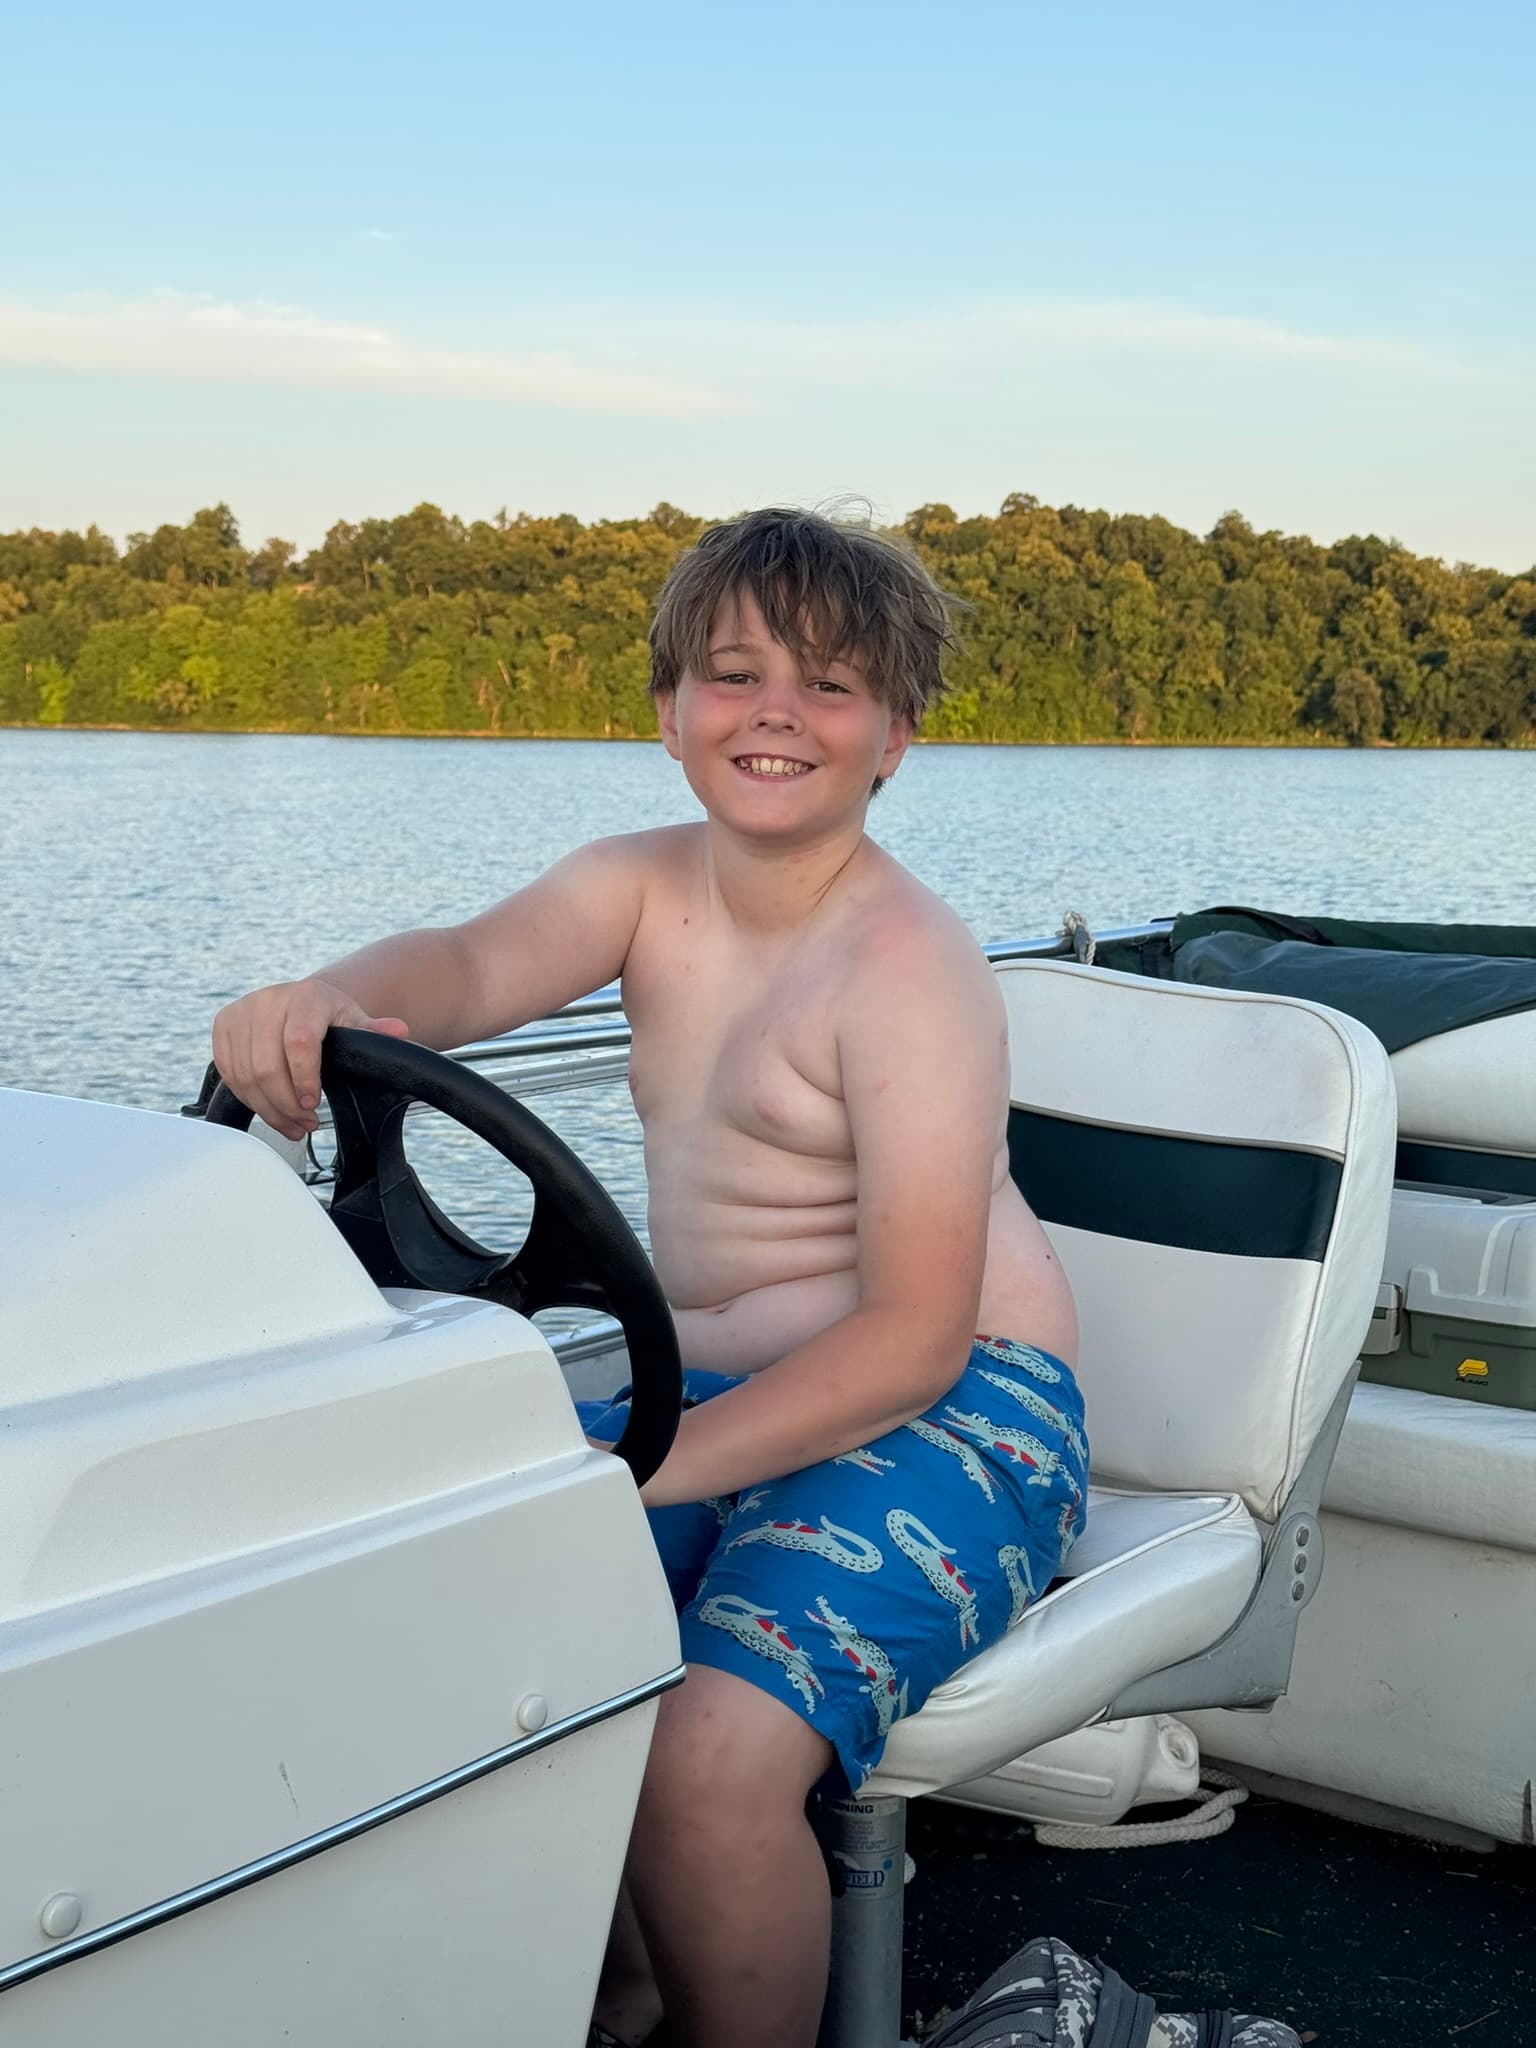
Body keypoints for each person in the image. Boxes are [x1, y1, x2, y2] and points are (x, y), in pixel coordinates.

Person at [211, 507, 1088, 2048]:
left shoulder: (909, 970)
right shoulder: (635, 887)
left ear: (896, 735)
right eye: (735, 675)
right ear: (670, 710)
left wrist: (639, 1475)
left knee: (701, 1752)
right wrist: (336, 996)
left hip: (964, 1412)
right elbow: (469, 971)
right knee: (490, 1647)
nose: (775, 714)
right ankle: (610, 1996)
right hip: (708, 1394)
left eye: (829, 686)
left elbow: (912, 1337)